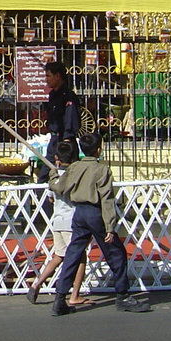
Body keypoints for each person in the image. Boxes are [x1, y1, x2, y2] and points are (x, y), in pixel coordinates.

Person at [49, 132, 151, 315]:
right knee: (116, 253)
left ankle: (60, 298)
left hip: (79, 214)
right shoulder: (102, 170)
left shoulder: (75, 167)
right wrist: (110, 226)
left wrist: (52, 174)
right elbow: (106, 199)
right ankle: (123, 295)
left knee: (73, 254)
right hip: (95, 214)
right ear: (98, 150)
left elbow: (59, 187)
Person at [26, 139, 89, 307]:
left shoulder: (53, 178)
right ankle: (75, 294)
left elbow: (51, 198)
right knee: (81, 257)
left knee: (59, 256)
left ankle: (36, 284)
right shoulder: (76, 176)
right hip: (72, 222)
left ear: (56, 158)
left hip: (57, 221)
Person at [39, 61, 80, 183]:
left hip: (64, 142)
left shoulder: (68, 97)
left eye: (48, 76)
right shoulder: (52, 95)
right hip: (54, 141)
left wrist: (66, 144)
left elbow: (70, 119)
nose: (46, 80)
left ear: (57, 76)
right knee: (44, 177)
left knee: (69, 178)